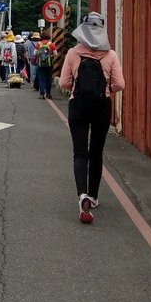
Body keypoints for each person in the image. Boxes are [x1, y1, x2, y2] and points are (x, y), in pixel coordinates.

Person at [58, 12, 125, 224]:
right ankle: (94, 197)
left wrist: (78, 88)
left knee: (80, 152)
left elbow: (63, 83)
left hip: (77, 105)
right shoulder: (111, 55)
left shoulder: (73, 52)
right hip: (101, 106)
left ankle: (82, 195)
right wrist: (105, 89)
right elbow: (120, 85)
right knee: (96, 152)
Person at [33, 29, 57, 99]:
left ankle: (42, 93)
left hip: (40, 64)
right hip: (49, 64)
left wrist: (40, 55)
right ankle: (48, 94)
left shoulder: (39, 44)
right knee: (48, 78)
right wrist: (50, 55)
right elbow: (56, 54)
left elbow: (34, 54)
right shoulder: (51, 44)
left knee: (41, 78)